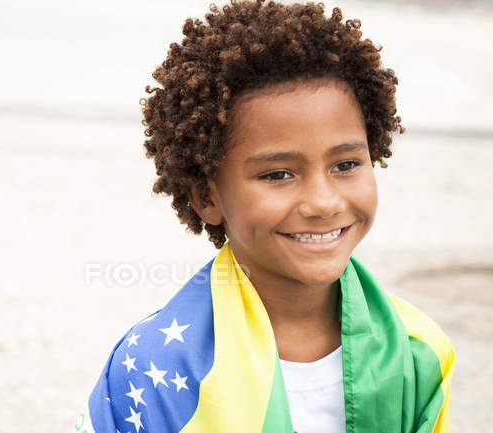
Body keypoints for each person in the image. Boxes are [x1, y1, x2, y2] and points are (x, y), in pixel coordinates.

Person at [71, 1, 455, 432]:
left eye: (345, 164)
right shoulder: (150, 371)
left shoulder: (419, 351)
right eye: (278, 174)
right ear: (205, 196)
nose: (324, 202)